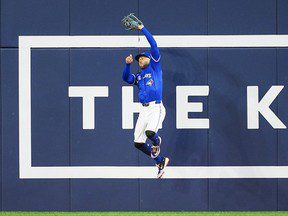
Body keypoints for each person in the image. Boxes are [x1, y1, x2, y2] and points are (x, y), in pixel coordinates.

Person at [122, 24, 169, 178]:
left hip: (156, 107)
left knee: (150, 133)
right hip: (144, 110)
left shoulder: (155, 67)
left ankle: (157, 140)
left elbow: (153, 44)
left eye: (142, 57)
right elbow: (126, 78)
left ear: (149, 58)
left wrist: (142, 28)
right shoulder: (139, 76)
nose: (140, 60)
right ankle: (160, 161)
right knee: (138, 143)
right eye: (139, 59)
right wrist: (127, 65)